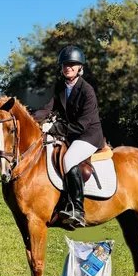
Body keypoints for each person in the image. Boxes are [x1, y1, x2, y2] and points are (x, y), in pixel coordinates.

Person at [34, 45, 103, 228]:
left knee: (69, 158)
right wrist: (30, 120)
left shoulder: (87, 91)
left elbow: (82, 124)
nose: (68, 68)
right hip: (71, 134)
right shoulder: (60, 87)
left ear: (80, 67)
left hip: (88, 135)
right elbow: (47, 109)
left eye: (72, 64)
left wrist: (57, 128)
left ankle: (77, 209)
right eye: (65, 64)